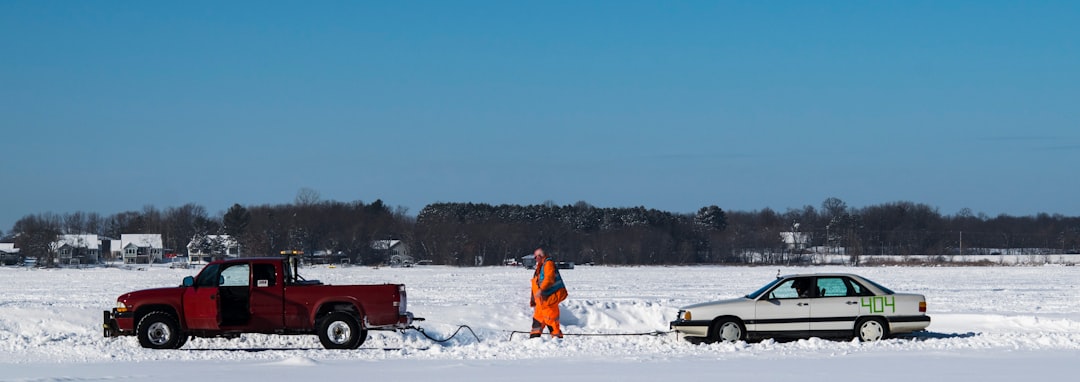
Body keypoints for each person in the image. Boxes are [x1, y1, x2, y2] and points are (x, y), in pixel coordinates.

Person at [530, 246, 568, 338]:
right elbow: (536, 284)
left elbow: (549, 279)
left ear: (540, 256)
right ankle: (534, 340)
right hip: (541, 301)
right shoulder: (540, 267)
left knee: (551, 321)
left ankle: (557, 340)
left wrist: (541, 290)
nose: (535, 259)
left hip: (550, 298)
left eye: (536, 257)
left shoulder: (548, 264)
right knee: (537, 321)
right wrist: (533, 300)